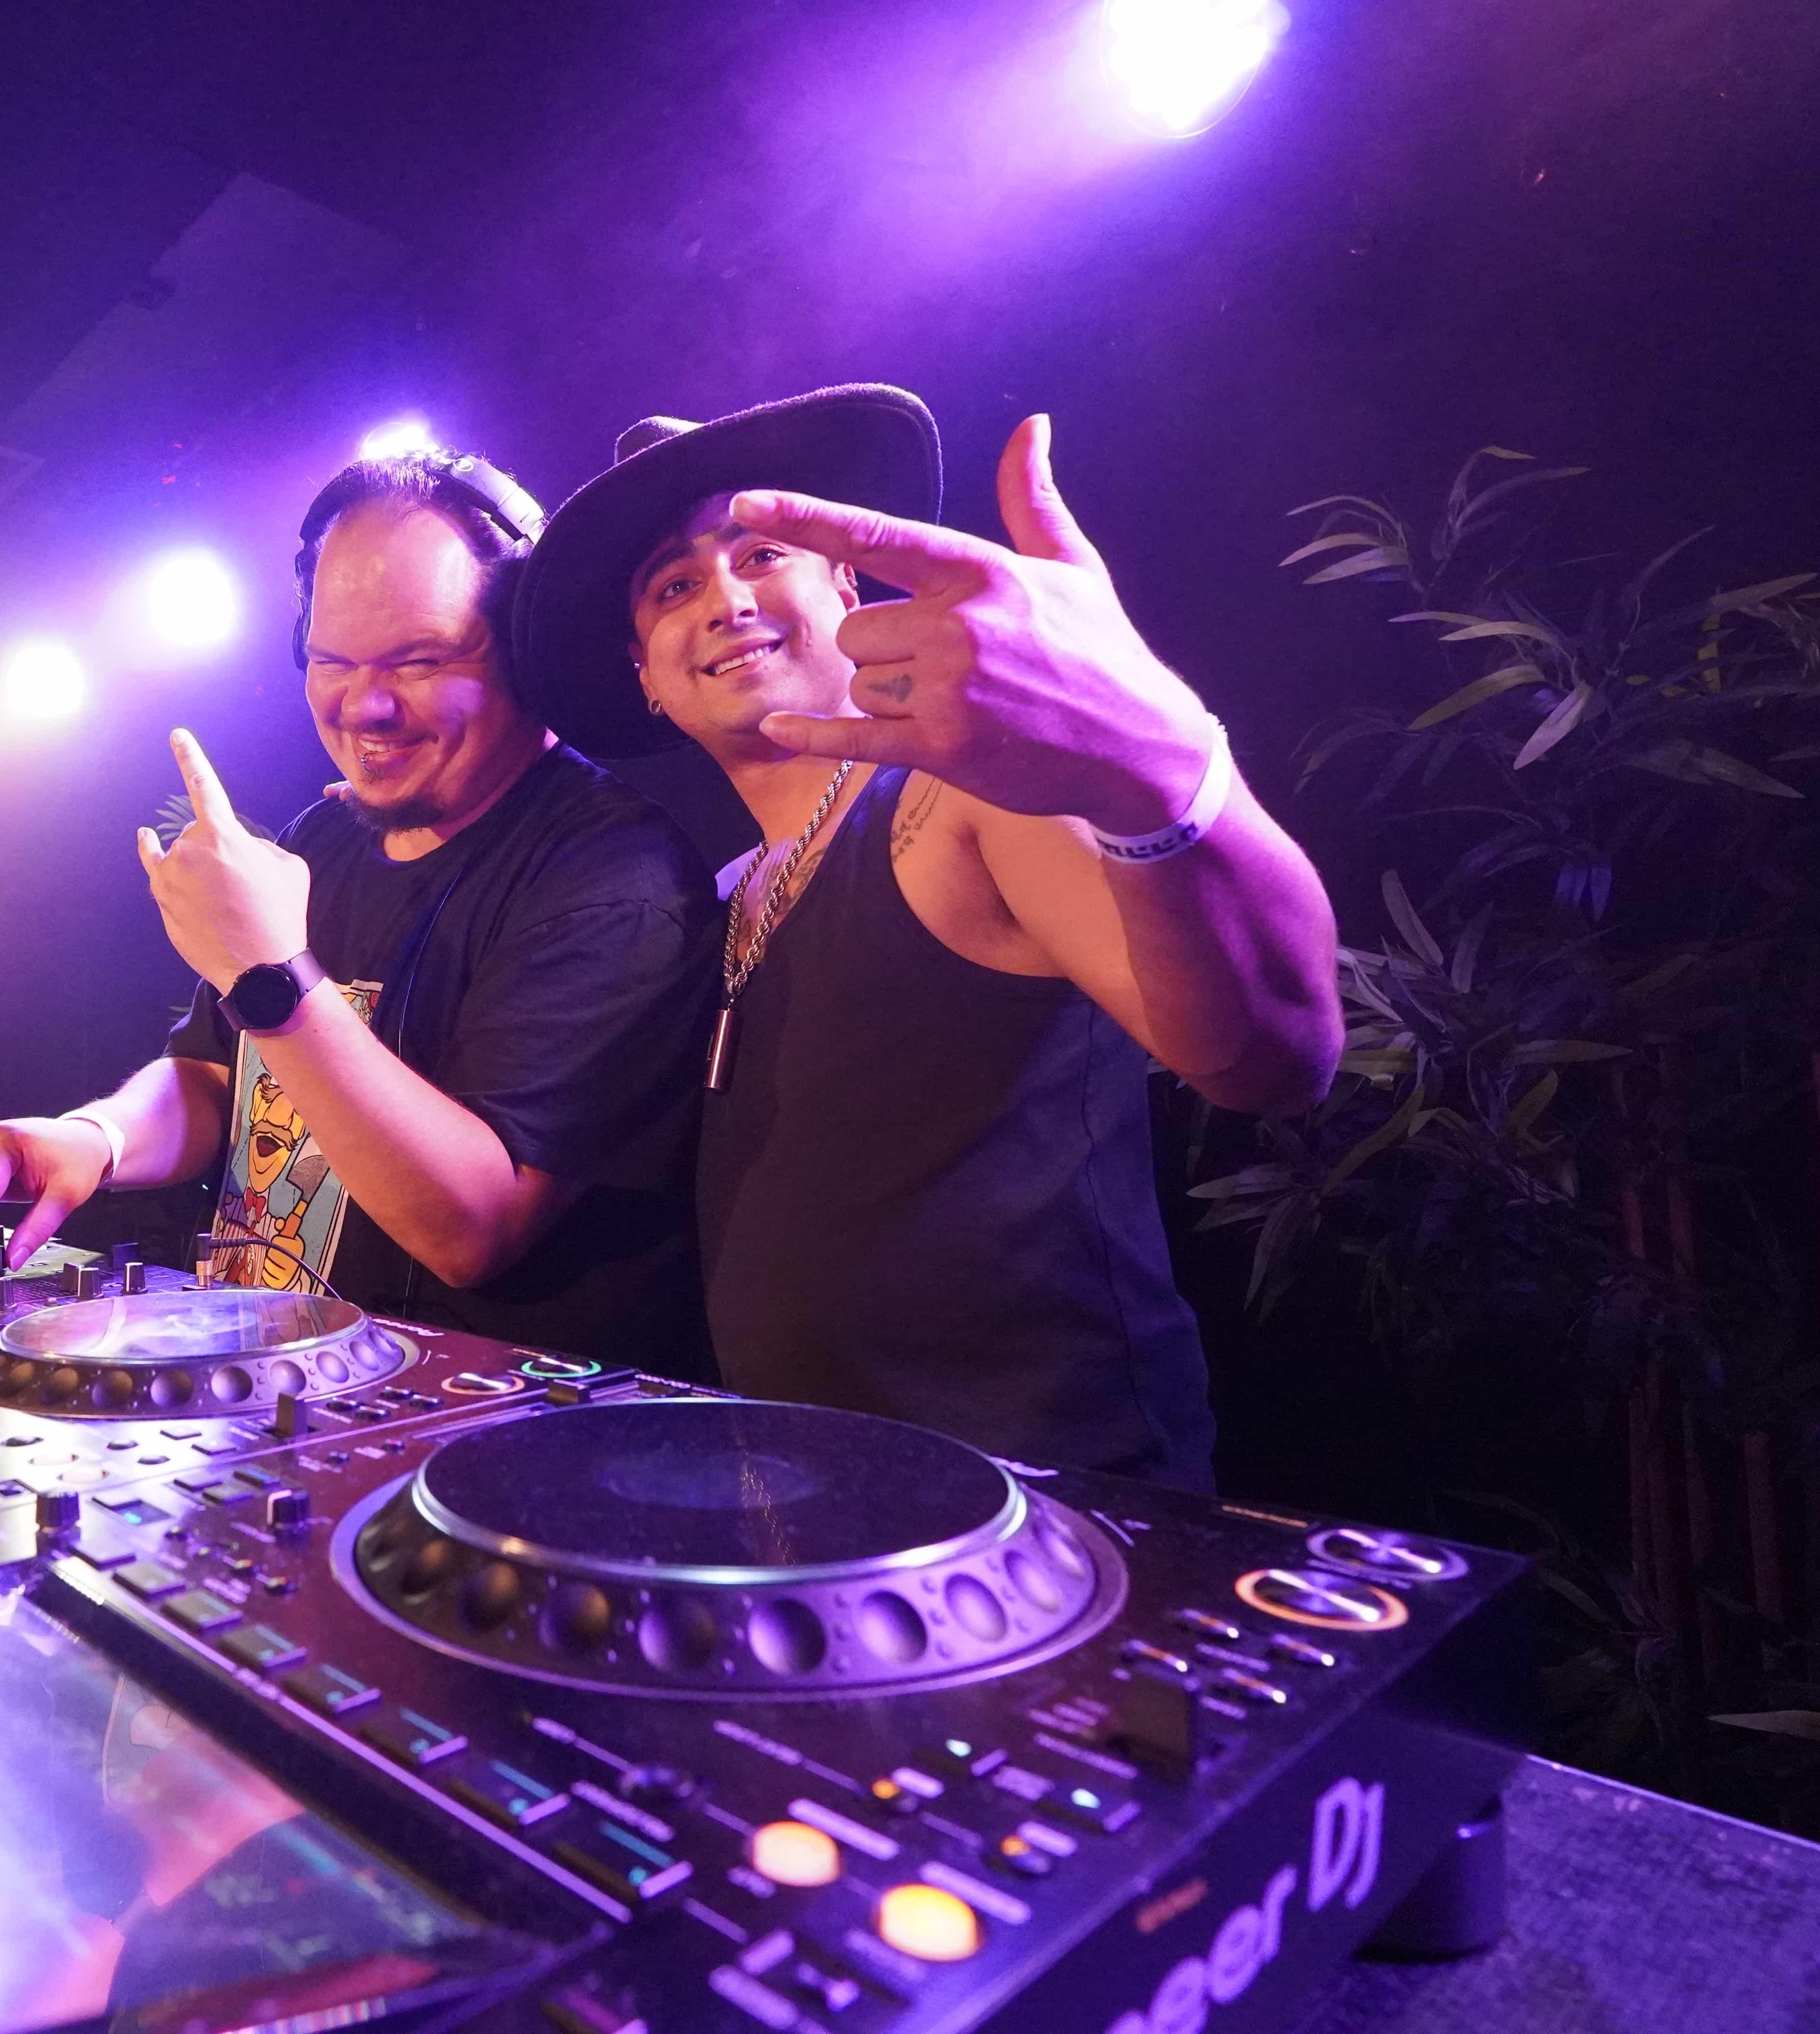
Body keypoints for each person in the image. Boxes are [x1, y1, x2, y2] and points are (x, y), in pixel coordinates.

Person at [512, 386, 1343, 1486]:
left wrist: (1157, 765)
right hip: (817, 1518)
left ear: (846, 588)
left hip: (1049, 1517)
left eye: (761, 556)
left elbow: (1274, 1058)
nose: (725, 599)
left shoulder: (963, 798)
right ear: (648, 681)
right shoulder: (726, 899)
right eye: (674, 587)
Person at [0, 450, 722, 1375]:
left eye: (420, 661)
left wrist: (273, 978)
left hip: (458, 1441)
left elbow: (472, 1226)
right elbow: (218, 1076)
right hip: (266, 1398)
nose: (367, 706)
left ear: (527, 651)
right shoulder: (325, 838)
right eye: (331, 662)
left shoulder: (615, 877)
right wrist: (95, 1139)